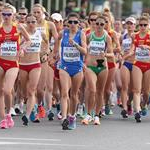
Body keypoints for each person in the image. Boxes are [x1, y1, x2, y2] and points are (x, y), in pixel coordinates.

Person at [0, 5, 31, 129]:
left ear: (13, 15)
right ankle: (3, 119)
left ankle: (8, 114)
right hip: (1, 61)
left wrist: (22, 48)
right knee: (0, 91)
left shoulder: (18, 27)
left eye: (9, 14)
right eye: (4, 14)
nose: (6, 17)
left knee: (7, 90)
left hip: (13, 63)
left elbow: (28, 40)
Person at [82, 15, 113, 125]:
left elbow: (111, 54)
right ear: (94, 24)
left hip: (103, 67)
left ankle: (96, 115)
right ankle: (88, 114)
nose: (99, 26)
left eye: (102, 24)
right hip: (90, 66)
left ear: (105, 25)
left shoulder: (107, 37)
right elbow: (83, 50)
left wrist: (105, 54)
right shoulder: (89, 36)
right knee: (92, 90)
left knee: (100, 92)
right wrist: (83, 63)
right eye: (97, 23)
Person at [59, 12, 87, 130]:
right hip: (64, 66)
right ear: (67, 23)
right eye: (70, 22)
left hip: (77, 67)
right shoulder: (63, 33)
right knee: (65, 92)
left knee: (74, 94)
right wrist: (54, 54)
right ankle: (64, 117)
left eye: (75, 22)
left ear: (79, 24)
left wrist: (75, 44)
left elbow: (85, 51)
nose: (72, 24)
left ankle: (72, 116)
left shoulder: (81, 34)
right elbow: (56, 44)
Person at [19, 14, 48, 126]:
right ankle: (33, 107)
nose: (31, 24)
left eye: (33, 22)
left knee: (32, 90)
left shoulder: (40, 33)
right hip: (22, 64)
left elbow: (47, 42)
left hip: (35, 64)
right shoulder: (22, 33)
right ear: (26, 22)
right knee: (24, 93)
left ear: (36, 22)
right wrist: (21, 48)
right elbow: (16, 43)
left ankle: (27, 115)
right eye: (29, 22)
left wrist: (46, 53)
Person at [132, 14, 150, 122]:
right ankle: (137, 111)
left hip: (148, 65)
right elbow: (132, 49)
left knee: (146, 92)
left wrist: (147, 47)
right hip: (137, 64)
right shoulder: (135, 36)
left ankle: (143, 105)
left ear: (148, 26)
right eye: (141, 25)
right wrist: (124, 56)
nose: (143, 27)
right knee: (136, 90)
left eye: (145, 25)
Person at [120, 16, 136, 118]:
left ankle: (129, 102)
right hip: (125, 63)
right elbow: (121, 48)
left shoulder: (137, 36)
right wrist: (121, 54)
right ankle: (125, 108)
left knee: (132, 90)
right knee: (124, 86)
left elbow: (132, 51)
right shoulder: (123, 36)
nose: (129, 25)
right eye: (128, 23)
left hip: (135, 64)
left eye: (131, 24)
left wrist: (124, 56)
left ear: (135, 26)